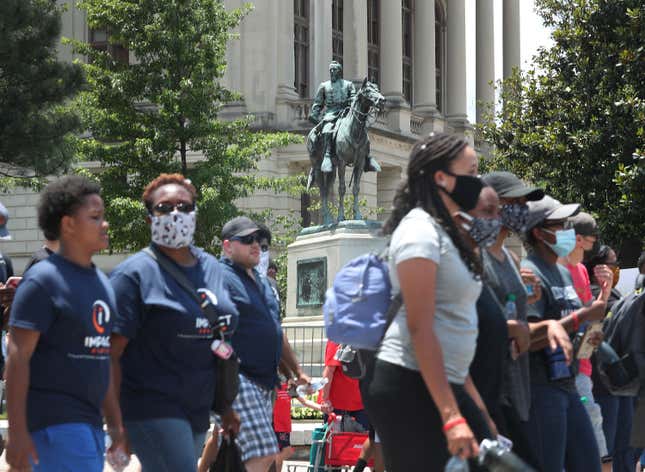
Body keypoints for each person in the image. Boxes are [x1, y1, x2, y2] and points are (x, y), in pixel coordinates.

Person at [363, 133, 496, 471]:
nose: (478, 182)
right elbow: (421, 327)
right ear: (441, 178)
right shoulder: (418, 232)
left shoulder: (446, 232)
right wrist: (453, 417)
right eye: (472, 171)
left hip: (444, 383)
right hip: (408, 386)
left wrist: (478, 413)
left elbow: (451, 326)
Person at [105, 173, 239, 472]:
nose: (175, 214)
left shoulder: (210, 267)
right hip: (151, 407)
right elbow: (109, 356)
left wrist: (225, 408)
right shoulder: (133, 276)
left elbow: (219, 337)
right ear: (149, 219)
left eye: (184, 206)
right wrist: (116, 427)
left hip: (197, 408)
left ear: (195, 213)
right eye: (164, 208)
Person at [5, 176, 116, 471]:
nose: (104, 224)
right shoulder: (43, 280)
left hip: (91, 426)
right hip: (54, 426)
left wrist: (116, 426)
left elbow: (102, 359)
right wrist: (17, 433)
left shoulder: (103, 284)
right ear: (68, 225)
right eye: (95, 217)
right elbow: (17, 358)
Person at [480, 171, 572, 469]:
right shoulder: (475, 257)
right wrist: (545, 325)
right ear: (492, 202)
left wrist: (527, 304)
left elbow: (516, 322)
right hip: (492, 392)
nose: (521, 208)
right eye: (514, 201)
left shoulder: (511, 258)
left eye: (523, 202)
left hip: (518, 389)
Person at [520, 195, 608, 472]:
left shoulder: (565, 274)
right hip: (541, 389)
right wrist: (582, 316)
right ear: (538, 232)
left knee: (588, 464)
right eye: (560, 225)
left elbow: (569, 329)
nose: (568, 232)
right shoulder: (529, 274)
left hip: (568, 384)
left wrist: (589, 338)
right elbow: (526, 337)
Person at [219, 216, 310, 472]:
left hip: (264, 380)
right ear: (228, 246)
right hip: (237, 376)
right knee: (264, 450)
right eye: (247, 240)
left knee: (240, 452)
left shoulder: (265, 285)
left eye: (260, 240)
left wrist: (296, 371)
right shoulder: (219, 276)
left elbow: (275, 331)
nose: (256, 245)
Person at [560, 212, 613, 470]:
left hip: (583, 366)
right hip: (566, 369)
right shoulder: (559, 270)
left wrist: (605, 290)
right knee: (592, 423)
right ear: (580, 240)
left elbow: (593, 319)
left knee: (593, 424)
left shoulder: (581, 270)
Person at [586, 245, 641, 472]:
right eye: (612, 263)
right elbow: (591, 338)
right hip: (602, 384)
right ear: (597, 267)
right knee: (605, 450)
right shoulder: (589, 295)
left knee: (626, 445)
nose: (616, 268)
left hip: (624, 384)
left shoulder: (618, 295)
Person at [309, 61, 379, 175]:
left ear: (339, 71)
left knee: (362, 130)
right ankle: (327, 154)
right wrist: (315, 114)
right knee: (327, 129)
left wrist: (351, 107)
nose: (332, 72)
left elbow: (353, 98)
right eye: (330, 70)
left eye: (334, 70)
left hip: (345, 112)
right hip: (330, 114)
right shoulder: (324, 86)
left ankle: (367, 157)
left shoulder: (348, 84)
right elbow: (318, 103)